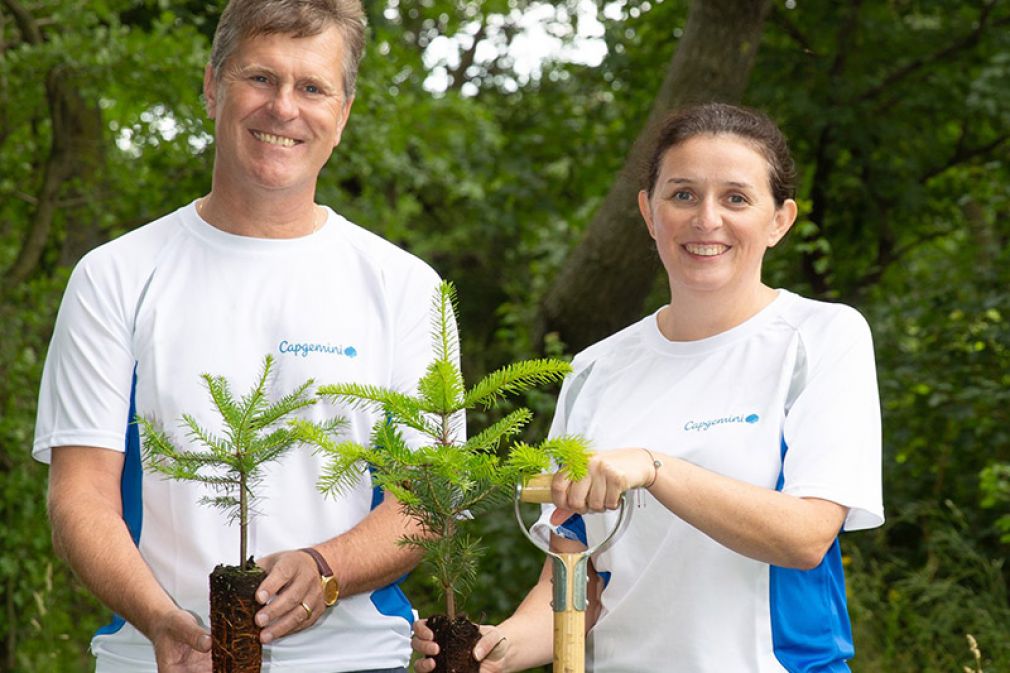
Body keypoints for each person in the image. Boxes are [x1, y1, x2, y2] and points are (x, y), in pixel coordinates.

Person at [33, 1, 443, 672]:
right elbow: (80, 496)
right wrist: (163, 622)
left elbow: (426, 502)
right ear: (212, 85)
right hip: (157, 658)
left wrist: (327, 568)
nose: (284, 107)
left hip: (355, 659)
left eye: (312, 87)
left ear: (342, 113)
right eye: (261, 78)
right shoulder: (115, 276)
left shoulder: (405, 287)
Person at [412, 102, 884, 672]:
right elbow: (575, 582)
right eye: (682, 194)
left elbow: (807, 536)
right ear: (648, 211)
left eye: (736, 198)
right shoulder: (596, 371)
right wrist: (494, 650)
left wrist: (654, 467)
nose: (706, 218)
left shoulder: (820, 337)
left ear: (779, 220)